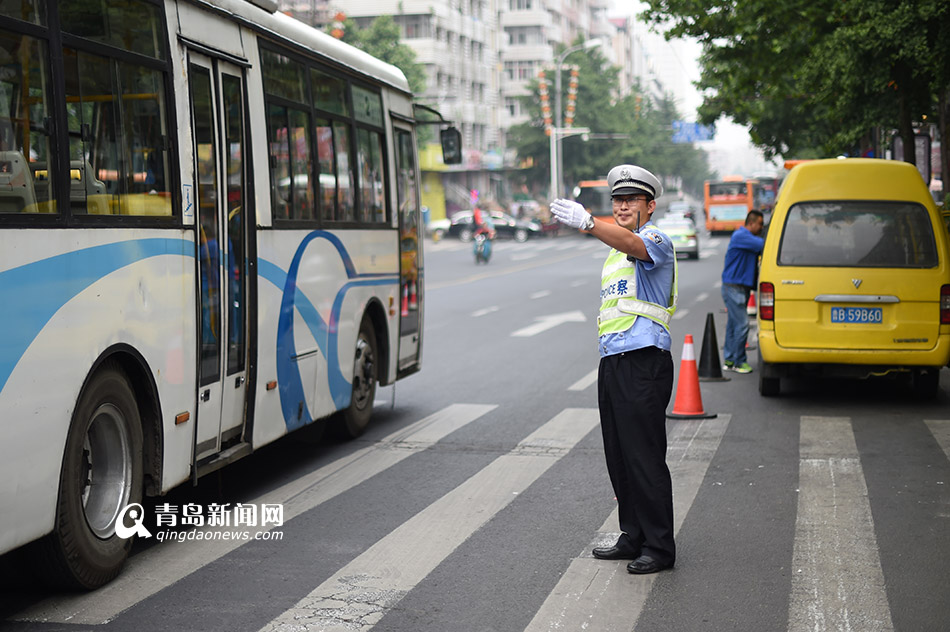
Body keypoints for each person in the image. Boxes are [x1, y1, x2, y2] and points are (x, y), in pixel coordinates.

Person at [550, 164, 677, 575]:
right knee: (619, 456)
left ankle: (659, 547)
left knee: (644, 457)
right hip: (614, 362)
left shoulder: (655, 239)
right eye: (617, 201)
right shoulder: (614, 254)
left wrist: (588, 222)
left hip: (644, 362)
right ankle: (633, 535)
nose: (622, 206)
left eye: (631, 200)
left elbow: (631, 242)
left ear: (650, 206)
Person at [721, 210, 765, 374]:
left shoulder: (745, 238)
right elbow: (764, 245)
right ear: (751, 223)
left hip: (737, 287)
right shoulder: (742, 236)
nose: (761, 227)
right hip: (734, 287)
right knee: (742, 325)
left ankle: (730, 359)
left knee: (734, 325)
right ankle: (739, 361)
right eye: (759, 224)